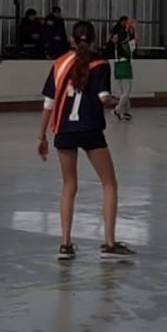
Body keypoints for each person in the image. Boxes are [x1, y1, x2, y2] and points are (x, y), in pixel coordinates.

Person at [37, 20, 134, 262]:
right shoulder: (100, 63)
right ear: (93, 39)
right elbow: (103, 98)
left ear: (71, 39)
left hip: (64, 130)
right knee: (109, 184)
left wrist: (41, 136)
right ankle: (109, 244)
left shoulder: (60, 64)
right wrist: (118, 101)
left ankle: (65, 244)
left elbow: (48, 104)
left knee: (69, 185)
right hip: (90, 129)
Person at [108, 22, 135, 121]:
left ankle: (126, 112)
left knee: (123, 92)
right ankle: (118, 109)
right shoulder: (128, 45)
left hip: (117, 69)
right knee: (126, 92)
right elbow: (134, 40)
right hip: (125, 69)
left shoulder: (117, 46)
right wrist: (132, 30)